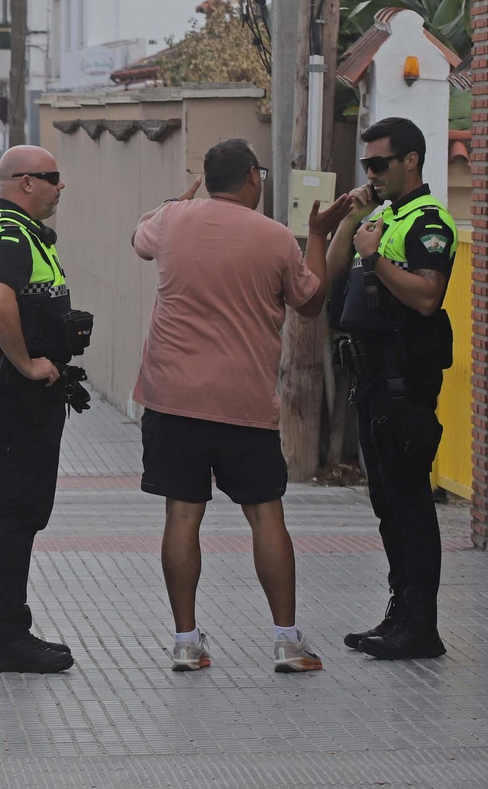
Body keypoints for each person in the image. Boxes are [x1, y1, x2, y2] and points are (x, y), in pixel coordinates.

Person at [131, 138, 351, 674]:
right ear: (253, 176)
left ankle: (186, 642)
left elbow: (139, 240)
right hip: (244, 402)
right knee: (265, 514)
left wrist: (173, 203)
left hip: (172, 397)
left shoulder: (171, 220)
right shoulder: (275, 238)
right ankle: (286, 641)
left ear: (207, 178)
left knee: (182, 514)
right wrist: (318, 236)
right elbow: (312, 300)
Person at [327, 116, 457, 661]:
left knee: (409, 503)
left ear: (410, 161)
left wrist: (377, 258)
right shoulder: (382, 217)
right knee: (386, 502)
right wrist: (354, 216)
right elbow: (333, 269)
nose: (372, 174)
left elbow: (428, 296)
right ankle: (400, 612)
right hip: (373, 381)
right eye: (367, 165)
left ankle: (421, 626)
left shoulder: (430, 222)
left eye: (380, 164)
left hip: (405, 385)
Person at [0, 145, 88, 673]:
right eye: (53, 177)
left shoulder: (14, 229)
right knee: (17, 511)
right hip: (17, 393)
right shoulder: (11, 234)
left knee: (9, 509)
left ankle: (5, 630)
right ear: (25, 182)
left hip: (14, 392)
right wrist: (27, 363)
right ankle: (8, 636)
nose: (62, 187)